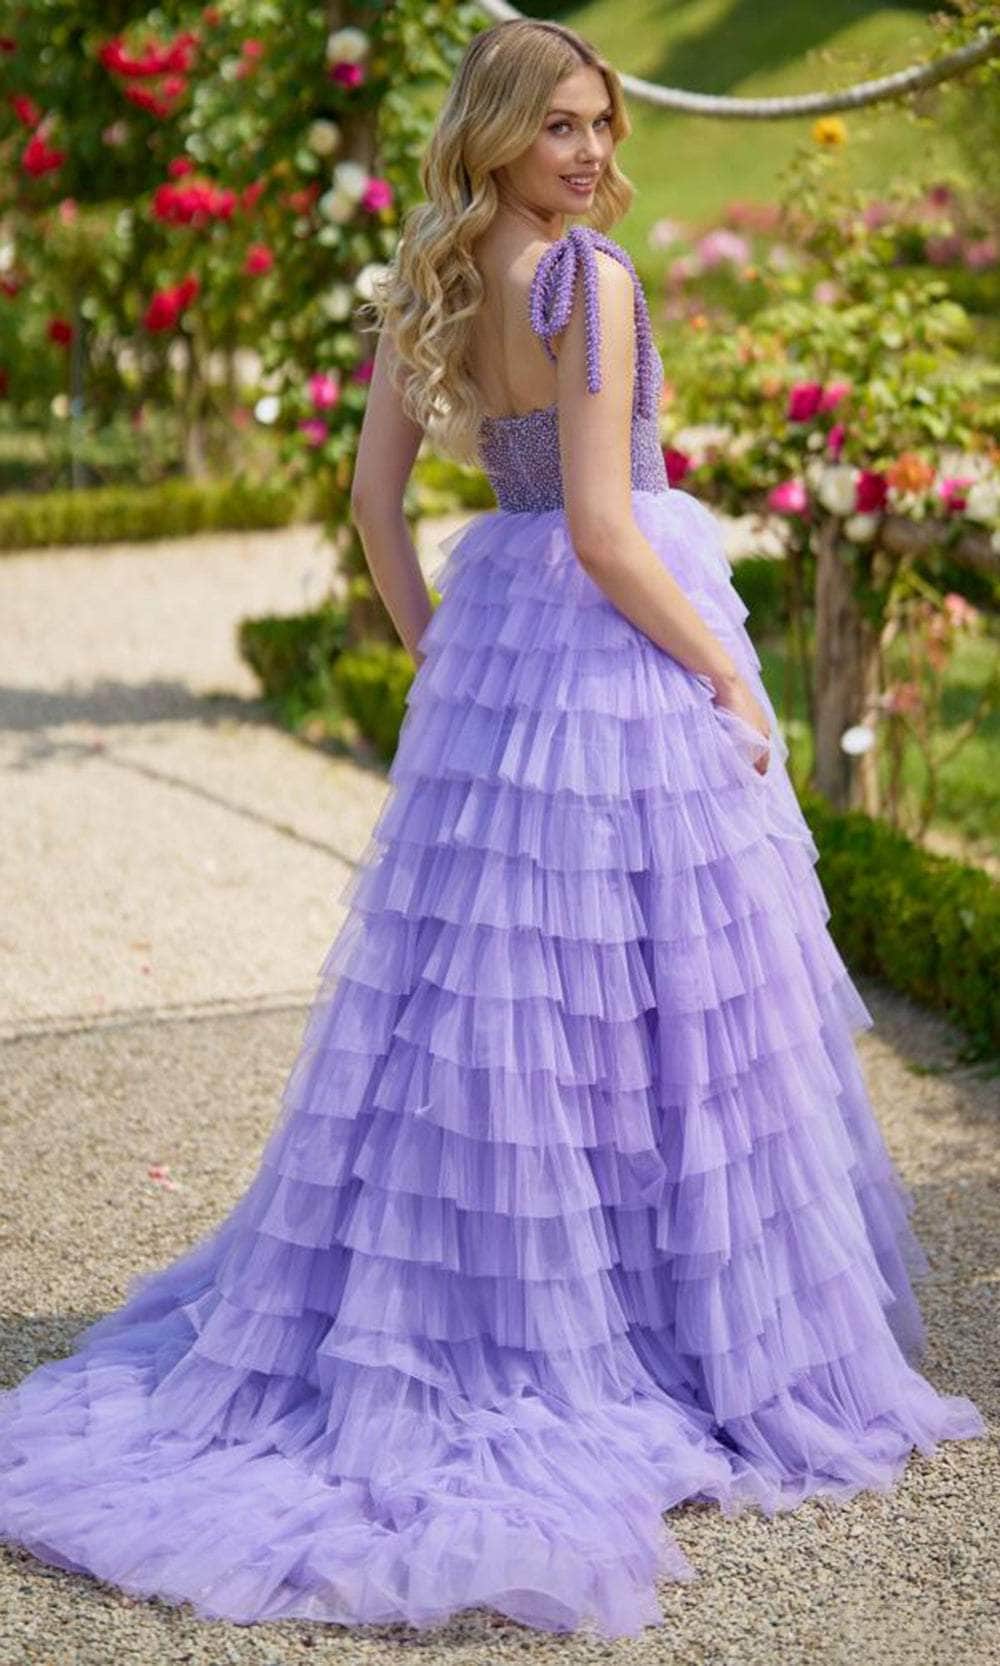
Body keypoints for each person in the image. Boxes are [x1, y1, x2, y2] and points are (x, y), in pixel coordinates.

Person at [0, 16, 986, 1643]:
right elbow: (604, 528)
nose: (590, 154)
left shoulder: (437, 277)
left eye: (601, 124)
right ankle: (667, 1332)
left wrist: (443, 662)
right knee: (664, 1006)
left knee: (514, 1008)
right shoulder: (589, 283)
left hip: (504, 651)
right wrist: (719, 676)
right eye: (559, 128)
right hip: (610, 649)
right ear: (500, 134)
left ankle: (526, 1309)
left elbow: (376, 509)